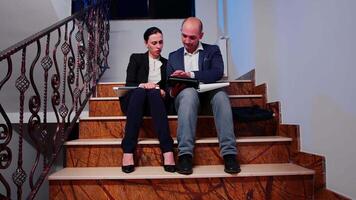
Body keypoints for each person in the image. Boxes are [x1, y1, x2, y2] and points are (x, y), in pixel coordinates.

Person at [166, 17, 240, 175]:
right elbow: (168, 88)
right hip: (185, 99)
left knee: (221, 95)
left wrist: (190, 75)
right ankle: (185, 154)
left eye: (192, 37)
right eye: (184, 35)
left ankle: (229, 154)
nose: (187, 40)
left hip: (208, 99)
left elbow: (217, 72)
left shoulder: (212, 50)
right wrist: (175, 88)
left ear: (201, 35)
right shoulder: (173, 56)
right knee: (189, 93)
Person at [120, 27, 175, 173]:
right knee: (140, 91)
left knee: (154, 93)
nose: (158, 46)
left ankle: (168, 150)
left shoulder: (168, 63)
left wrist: (163, 92)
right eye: (154, 43)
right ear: (146, 43)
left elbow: (170, 89)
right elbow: (129, 83)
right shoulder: (136, 58)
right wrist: (143, 85)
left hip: (156, 104)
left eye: (161, 42)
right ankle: (128, 151)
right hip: (136, 102)